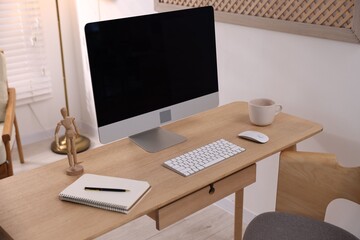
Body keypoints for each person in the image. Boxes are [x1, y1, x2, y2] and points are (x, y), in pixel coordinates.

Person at [55, 107, 83, 175]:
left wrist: (78, 132)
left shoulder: (71, 118)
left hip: (72, 134)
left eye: (64, 112)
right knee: (68, 150)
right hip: (68, 134)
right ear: (61, 113)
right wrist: (57, 142)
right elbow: (56, 133)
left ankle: (75, 162)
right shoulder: (61, 122)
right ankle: (71, 165)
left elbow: (75, 126)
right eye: (63, 112)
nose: (64, 113)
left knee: (73, 149)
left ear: (66, 112)